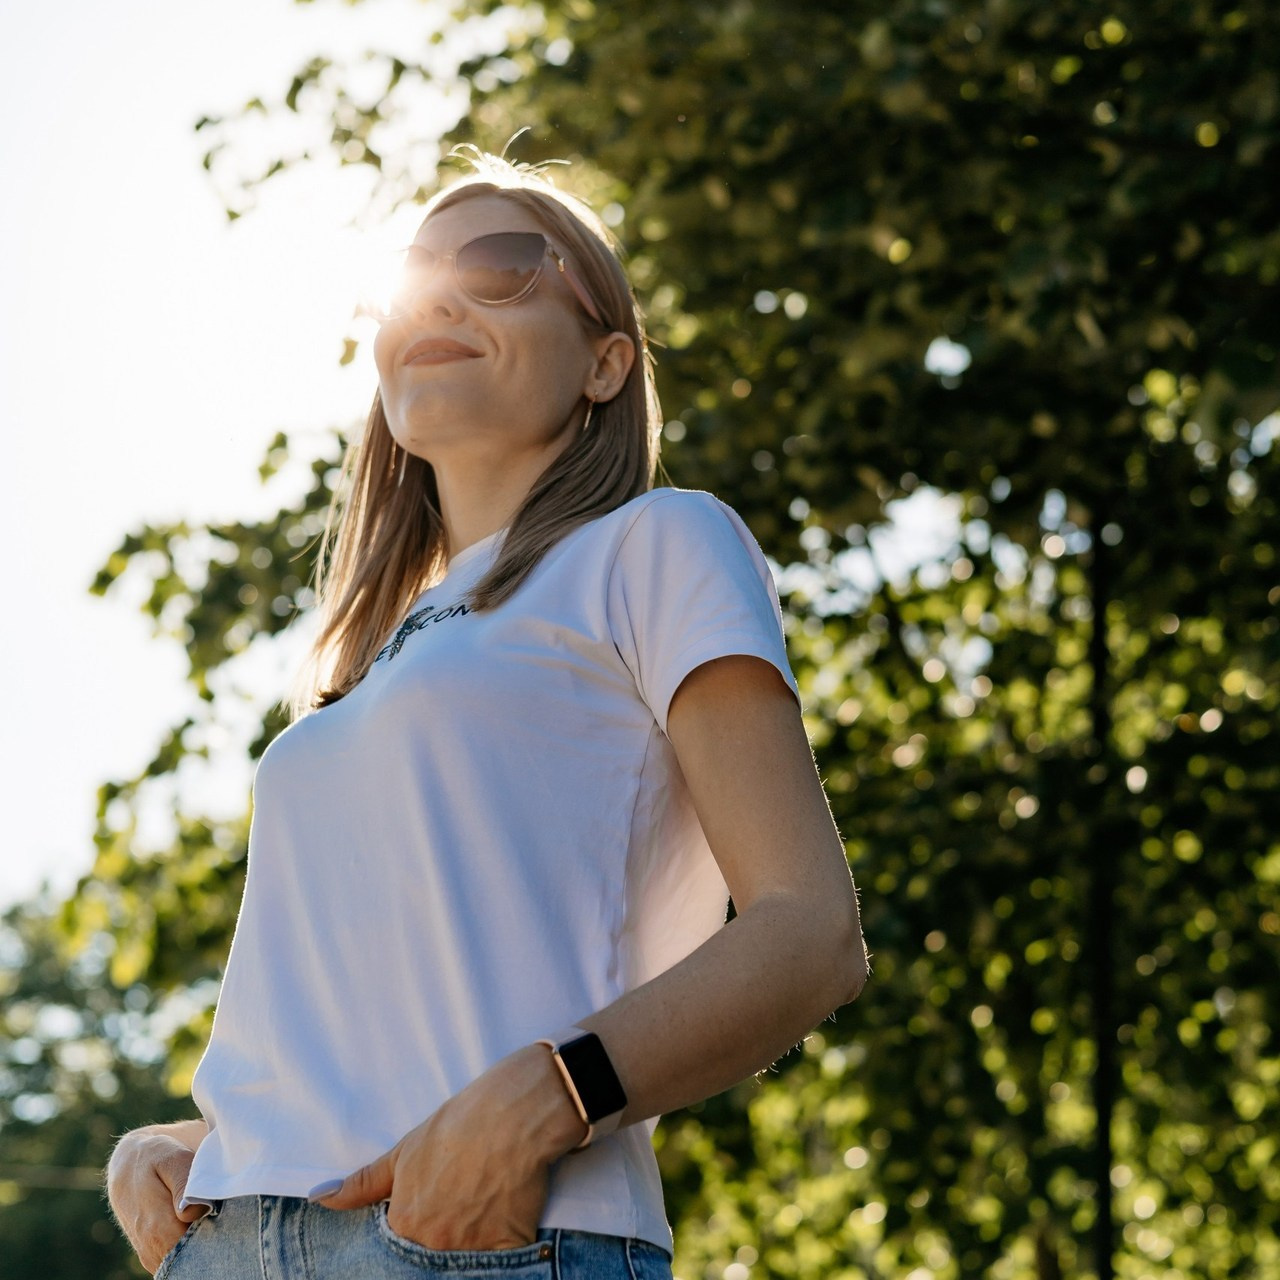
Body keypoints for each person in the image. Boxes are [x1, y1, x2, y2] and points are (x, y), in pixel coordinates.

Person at [105, 151, 869, 1279]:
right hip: (229, 1241)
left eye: (501, 263)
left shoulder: (654, 541)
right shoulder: (372, 663)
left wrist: (553, 1095)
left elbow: (810, 932)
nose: (438, 295)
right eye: (406, 278)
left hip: (484, 1238)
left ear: (606, 361)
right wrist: (185, 1145)